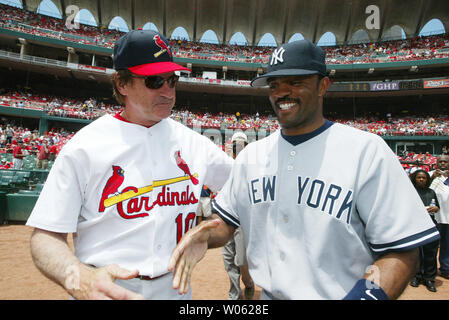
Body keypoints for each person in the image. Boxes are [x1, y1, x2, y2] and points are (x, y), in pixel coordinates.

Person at [169, 39, 440, 300]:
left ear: (323, 85)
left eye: (295, 82)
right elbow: (226, 222)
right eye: (274, 84)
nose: (281, 92)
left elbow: (403, 253)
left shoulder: (367, 151)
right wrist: (203, 234)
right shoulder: (252, 155)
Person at [26, 29, 233, 300]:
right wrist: (79, 279)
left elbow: (243, 194)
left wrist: (212, 233)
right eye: (155, 80)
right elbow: (45, 237)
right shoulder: (84, 146)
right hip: (106, 287)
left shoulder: (196, 144)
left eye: (172, 79)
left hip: (174, 288)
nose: (167, 91)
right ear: (122, 83)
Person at [222, 132, 254, 300]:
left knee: (241, 260)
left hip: (242, 220)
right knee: (228, 260)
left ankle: (248, 283)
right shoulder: (226, 165)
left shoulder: (252, 167)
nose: (238, 149)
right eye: (236, 145)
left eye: (241, 145)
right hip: (225, 219)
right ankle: (234, 295)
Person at [409, 170, 440, 292]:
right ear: (414, 179)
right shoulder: (410, 192)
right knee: (416, 253)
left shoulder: (431, 192)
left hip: (430, 225)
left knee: (430, 253)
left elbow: (437, 207)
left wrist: (435, 208)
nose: (421, 180)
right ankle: (416, 276)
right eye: (418, 177)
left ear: (427, 179)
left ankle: (429, 279)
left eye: (423, 178)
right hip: (414, 226)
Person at [429, 155, 449, 279]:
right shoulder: (431, 174)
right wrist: (432, 177)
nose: (442, 164)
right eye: (440, 162)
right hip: (434, 218)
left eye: (445, 162)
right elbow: (422, 188)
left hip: (448, 218)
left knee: (447, 245)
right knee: (431, 246)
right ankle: (429, 271)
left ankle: (446, 269)